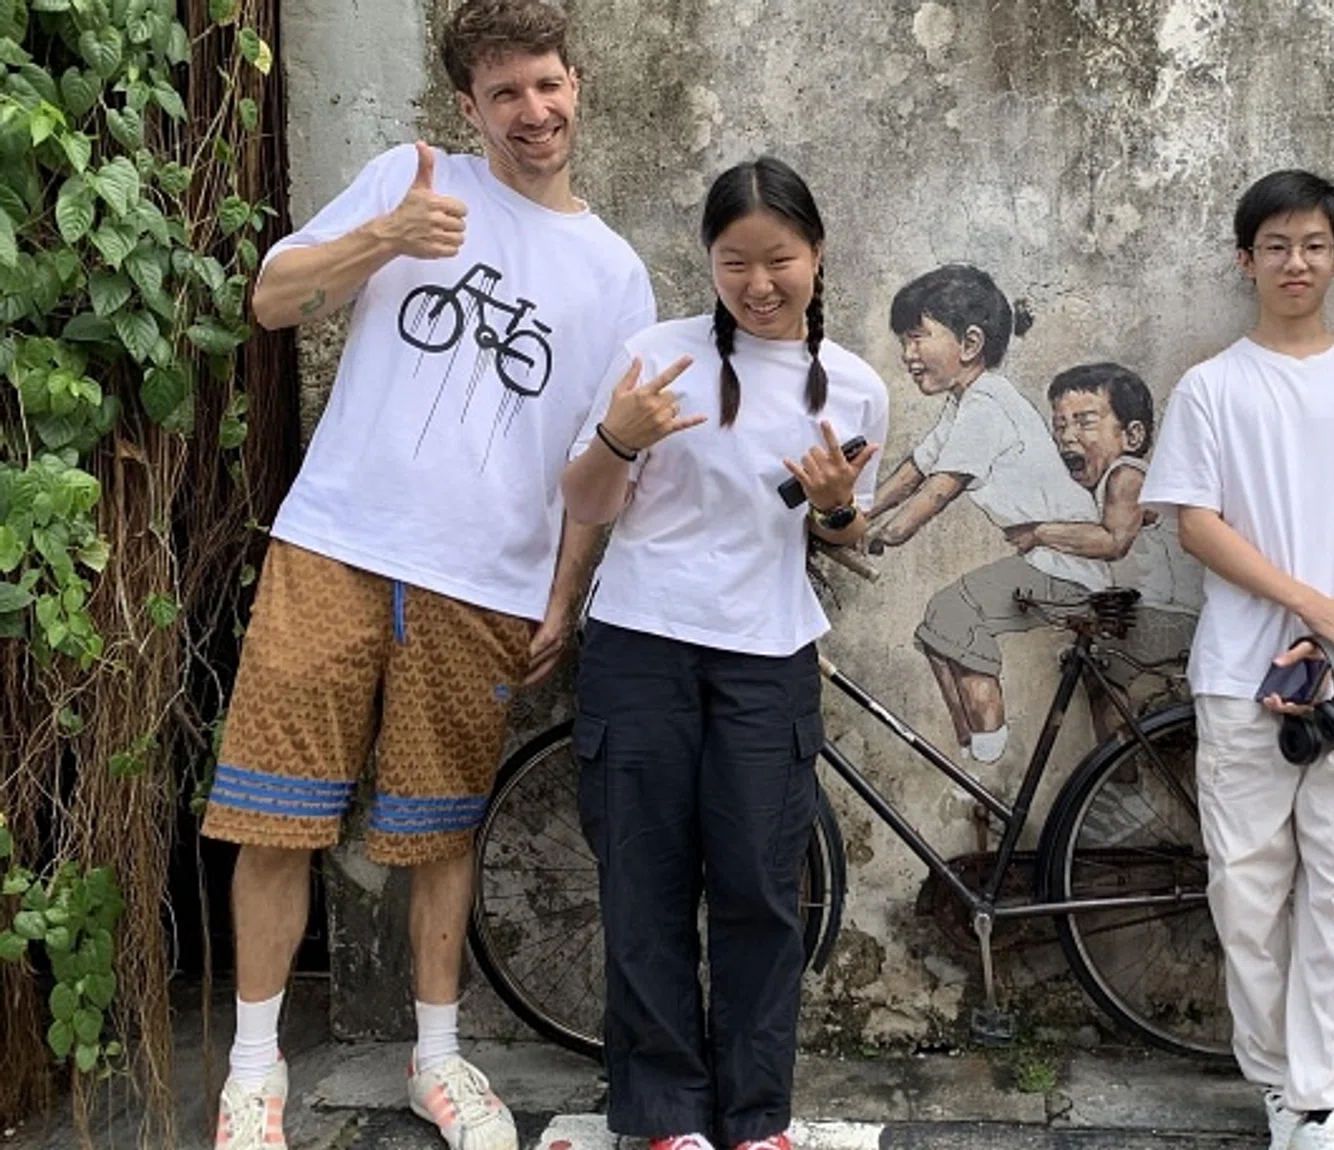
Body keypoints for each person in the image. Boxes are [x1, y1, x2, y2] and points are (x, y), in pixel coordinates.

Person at [199, 2, 656, 1146]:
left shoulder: (615, 275)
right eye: (505, 94)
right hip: (337, 545)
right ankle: (254, 1076)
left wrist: (564, 592)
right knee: (275, 812)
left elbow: (598, 465)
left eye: (547, 85)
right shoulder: (408, 178)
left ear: (577, 85)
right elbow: (270, 301)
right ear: (469, 106)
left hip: (487, 584)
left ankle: (437, 1060)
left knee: (441, 829)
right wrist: (386, 240)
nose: (532, 112)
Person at [560, 156, 888, 1150]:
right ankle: (666, 1119)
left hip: (766, 657)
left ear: (816, 255)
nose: (758, 282)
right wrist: (618, 437)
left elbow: (844, 534)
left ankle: (754, 1120)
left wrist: (836, 509)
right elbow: (584, 503)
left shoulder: (857, 388)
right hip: (640, 647)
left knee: (758, 890)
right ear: (708, 259)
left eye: (778, 259)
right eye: (734, 260)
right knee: (645, 887)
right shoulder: (655, 356)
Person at [1142, 170, 1334, 1150]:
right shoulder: (1213, 386)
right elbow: (1197, 524)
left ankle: (1331, 1096)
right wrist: (1312, 603)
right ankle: (1279, 1085)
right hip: (1242, 671)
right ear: (1245, 259)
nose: (1295, 261)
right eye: (1276, 245)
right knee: (1250, 883)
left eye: (1313, 244)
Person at [867, 265, 1108, 763]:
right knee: (936, 631)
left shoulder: (989, 406)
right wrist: (858, 511)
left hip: (1063, 565)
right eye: (904, 342)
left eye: (918, 338)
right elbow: (915, 469)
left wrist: (883, 535)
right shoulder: (965, 404)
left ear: (970, 342)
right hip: (1045, 563)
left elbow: (937, 492)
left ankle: (991, 754)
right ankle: (969, 751)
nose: (908, 355)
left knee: (954, 613)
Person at [1007, 361, 1204, 732]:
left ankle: (1124, 782)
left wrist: (1040, 533)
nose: (1067, 436)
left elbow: (1113, 541)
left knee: (1101, 665)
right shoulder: (1107, 482)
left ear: (1131, 435)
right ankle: (1124, 771)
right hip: (1149, 613)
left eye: (1084, 422)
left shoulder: (1126, 474)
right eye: (1060, 425)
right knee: (1098, 672)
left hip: (1170, 618)